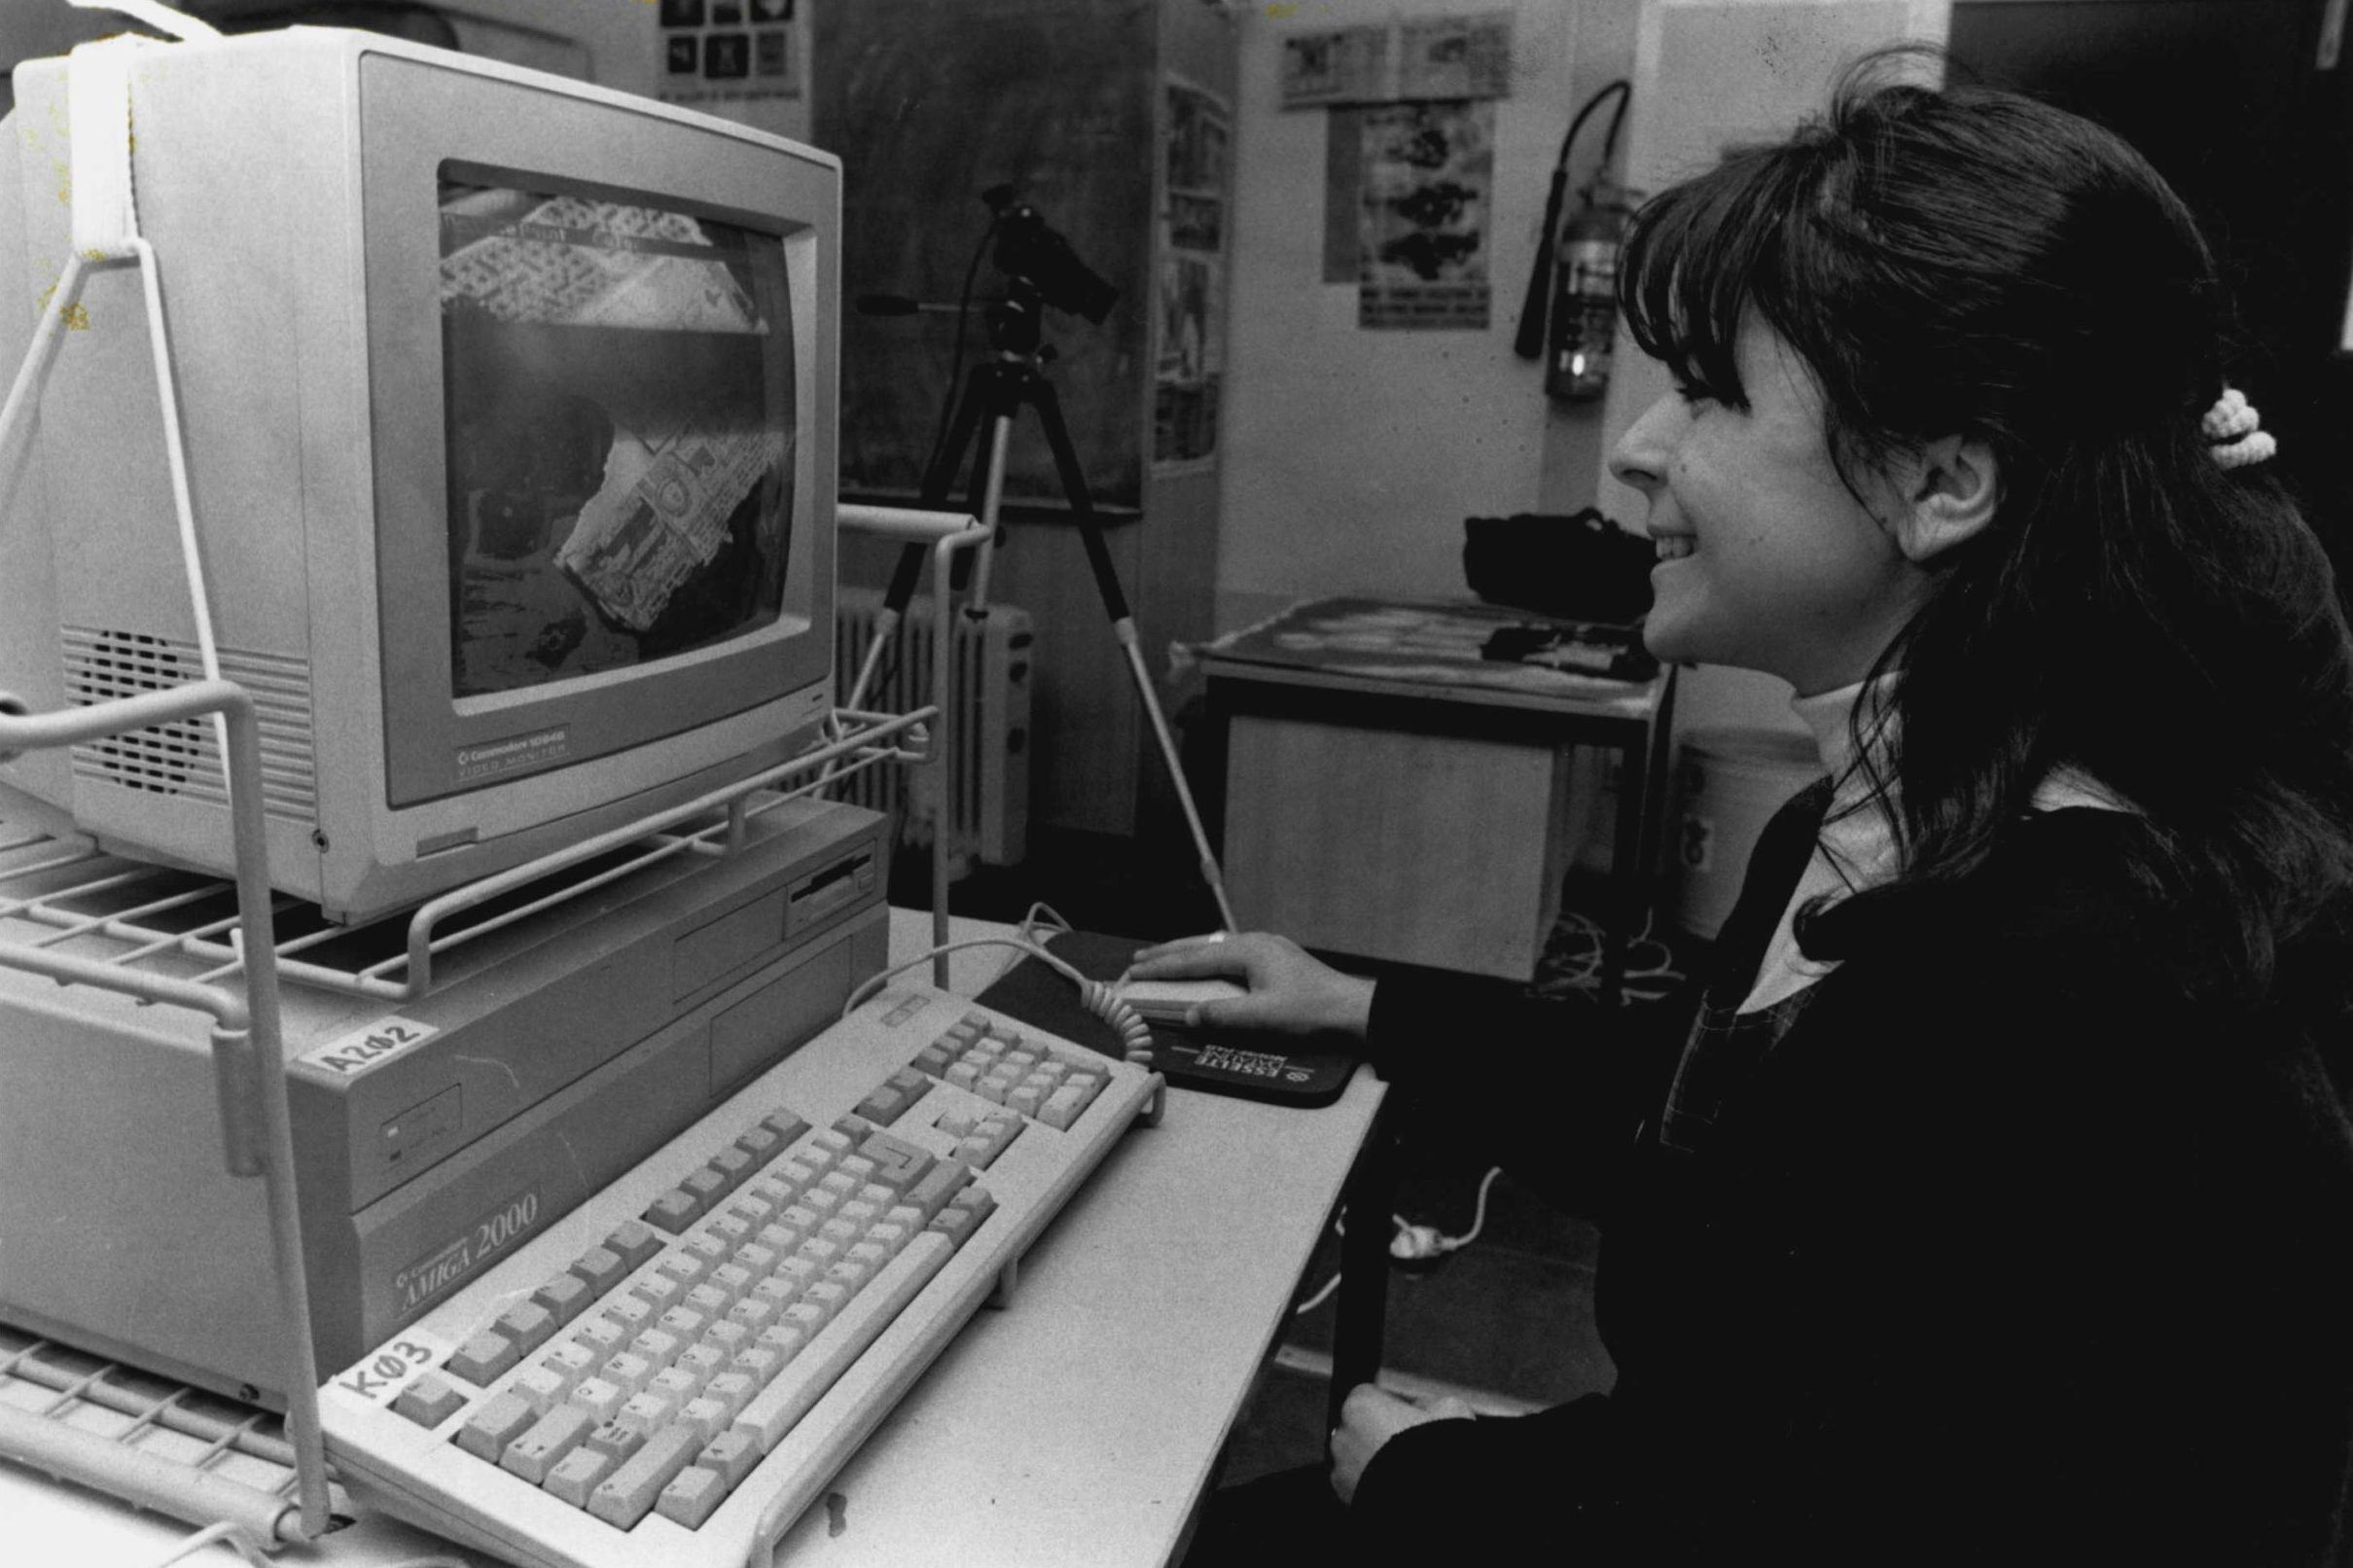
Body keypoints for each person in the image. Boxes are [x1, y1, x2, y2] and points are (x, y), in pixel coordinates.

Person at [1144, 50, 2353, 1567]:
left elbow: (1788, 1508)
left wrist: (1426, 1485)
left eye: (1709, 394)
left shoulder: (2075, 979)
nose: (1643, 445)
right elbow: (1751, 1127)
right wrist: (1370, 1009)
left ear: (1943, 483)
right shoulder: (1897, 821)